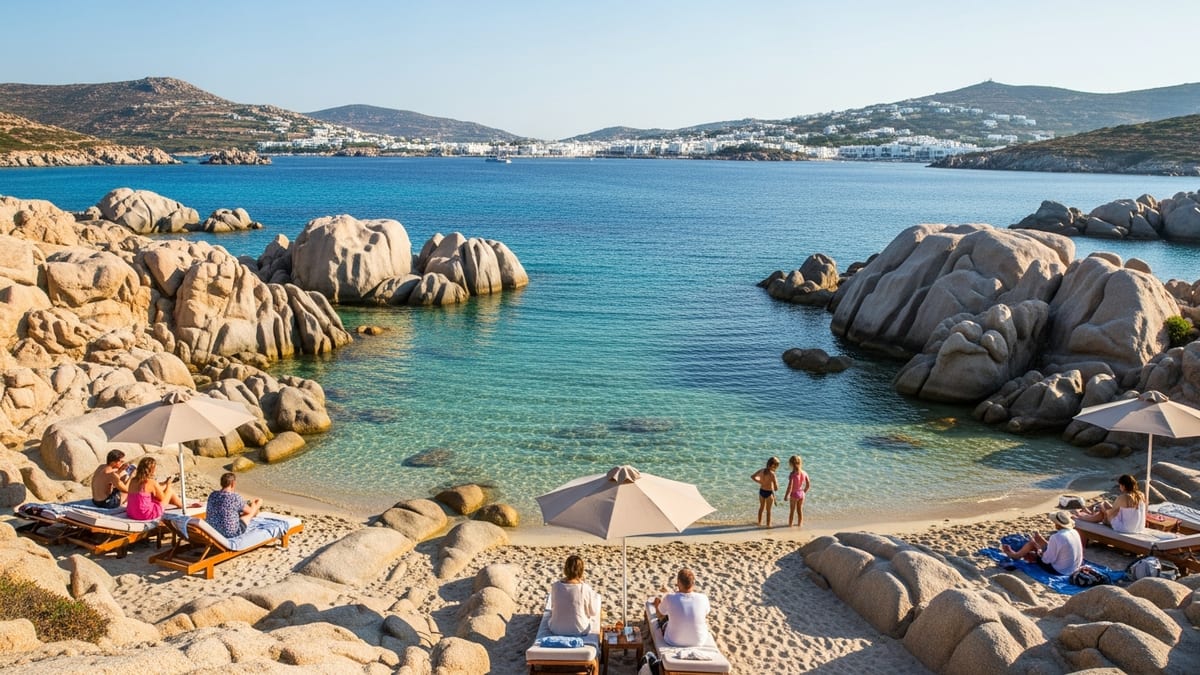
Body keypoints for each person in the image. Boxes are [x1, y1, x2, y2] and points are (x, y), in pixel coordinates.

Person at [1002, 511, 1084, 576]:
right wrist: (1041, 543)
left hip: (1060, 570)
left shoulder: (1056, 537)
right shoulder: (1074, 532)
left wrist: (1038, 549)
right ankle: (1037, 541)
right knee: (1038, 544)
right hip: (1074, 567)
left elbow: (1046, 560)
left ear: (1056, 524)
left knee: (1031, 545)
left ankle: (1015, 555)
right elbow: (1059, 547)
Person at [652, 568, 710, 647]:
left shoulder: (669, 598)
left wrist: (656, 604)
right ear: (693, 583)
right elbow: (706, 614)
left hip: (673, 641)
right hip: (698, 641)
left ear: (678, 582)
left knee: (664, 620)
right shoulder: (703, 598)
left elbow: (659, 614)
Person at [1072, 474, 1147, 534]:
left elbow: (1110, 513)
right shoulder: (1141, 495)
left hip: (1126, 528)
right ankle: (1090, 514)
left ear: (1123, 486)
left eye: (1120, 485)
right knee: (1105, 503)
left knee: (1102, 514)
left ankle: (1082, 517)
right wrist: (1104, 505)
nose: (1119, 487)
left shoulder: (1124, 497)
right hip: (1138, 527)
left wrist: (1102, 508)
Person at [547, 554, 599, 636]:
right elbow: (593, 612)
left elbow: (553, 607)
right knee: (597, 598)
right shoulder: (584, 588)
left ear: (565, 569)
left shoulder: (556, 586)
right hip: (579, 630)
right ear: (581, 570)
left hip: (556, 629)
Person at [206, 472, 263, 539]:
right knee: (250, 513)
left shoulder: (213, 495)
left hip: (212, 530)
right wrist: (255, 504)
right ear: (233, 483)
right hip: (231, 533)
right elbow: (250, 512)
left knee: (239, 512)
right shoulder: (234, 497)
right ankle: (258, 506)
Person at [125, 457, 182, 521]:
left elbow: (147, 491)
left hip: (131, 513)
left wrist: (164, 484)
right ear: (152, 470)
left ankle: (179, 504)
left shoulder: (133, 480)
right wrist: (168, 484)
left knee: (161, 490)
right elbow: (163, 498)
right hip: (144, 515)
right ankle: (182, 506)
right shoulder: (151, 482)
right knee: (170, 491)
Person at [751, 457, 780, 527]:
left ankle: (759, 522)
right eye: (776, 466)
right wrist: (775, 486)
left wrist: (760, 482)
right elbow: (776, 488)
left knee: (761, 508)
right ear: (773, 465)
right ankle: (768, 525)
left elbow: (753, 476)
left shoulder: (762, 470)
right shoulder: (772, 474)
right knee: (768, 510)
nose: (776, 468)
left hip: (761, 491)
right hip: (769, 493)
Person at [786, 455, 811, 528]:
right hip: (801, 494)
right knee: (800, 510)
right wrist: (804, 492)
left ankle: (790, 525)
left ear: (791, 464)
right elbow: (808, 484)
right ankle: (800, 524)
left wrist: (786, 495)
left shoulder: (792, 474)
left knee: (792, 511)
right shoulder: (804, 472)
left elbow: (790, 486)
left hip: (794, 494)